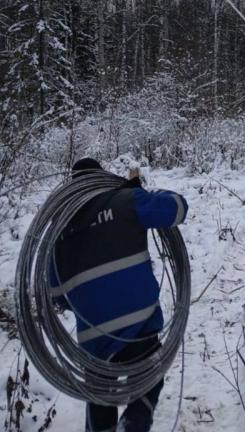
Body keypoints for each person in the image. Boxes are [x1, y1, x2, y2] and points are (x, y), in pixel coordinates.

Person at [49, 156, 188, 432]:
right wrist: (139, 192)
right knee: (150, 375)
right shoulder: (126, 201)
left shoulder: (59, 229)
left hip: (94, 338)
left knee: (100, 397)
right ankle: (134, 423)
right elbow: (177, 208)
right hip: (140, 322)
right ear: (100, 178)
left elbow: (57, 295)